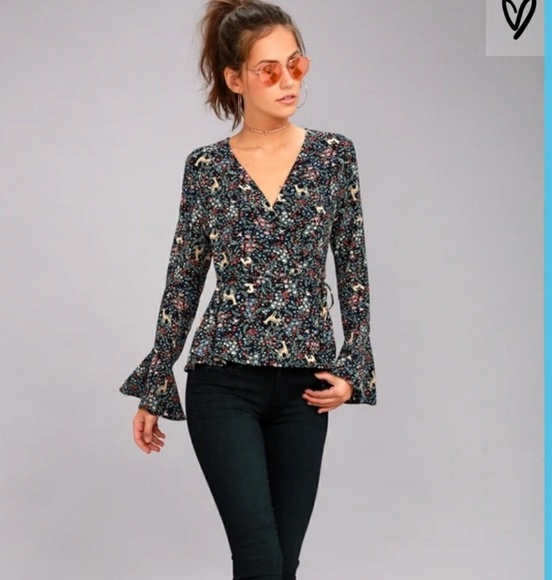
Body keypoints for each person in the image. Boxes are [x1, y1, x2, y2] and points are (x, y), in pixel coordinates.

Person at [119, 1, 377, 578]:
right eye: (269, 69)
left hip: (304, 389)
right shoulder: (207, 168)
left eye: (296, 64)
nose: (288, 81)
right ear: (235, 79)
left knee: (282, 565)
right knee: (259, 559)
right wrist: (157, 379)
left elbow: (353, 269)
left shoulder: (334, 157)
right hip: (223, 384)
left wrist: (353, 365)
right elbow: (183, 278)